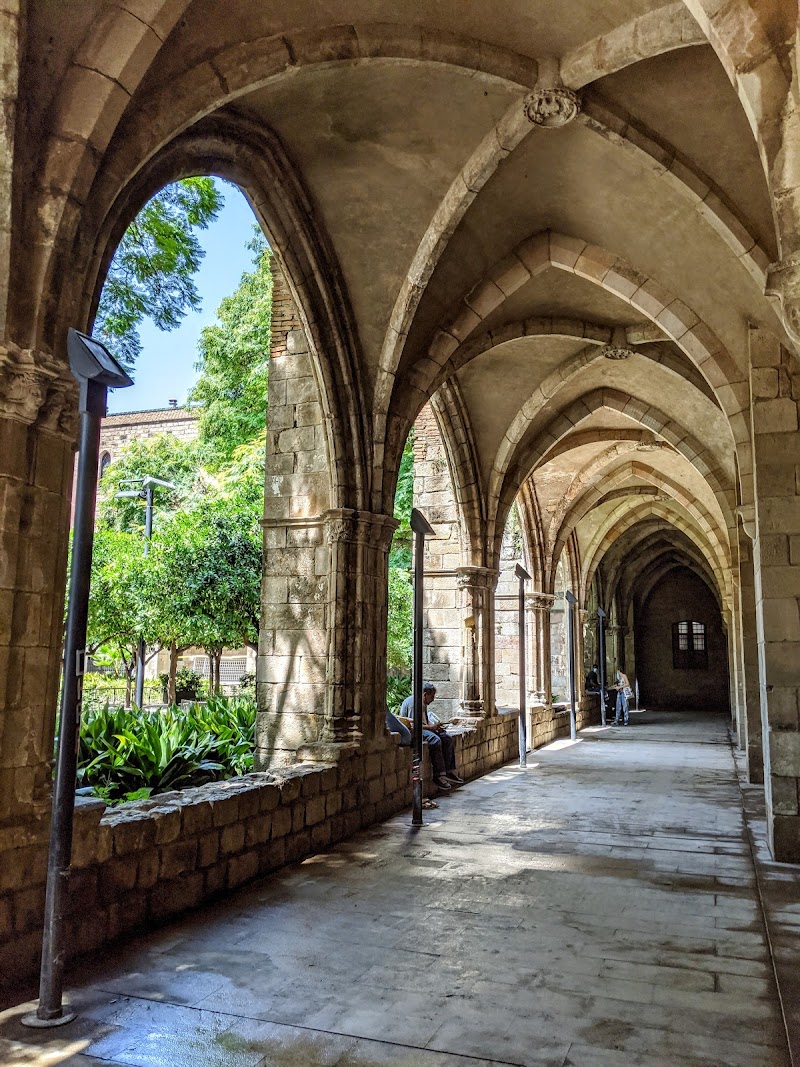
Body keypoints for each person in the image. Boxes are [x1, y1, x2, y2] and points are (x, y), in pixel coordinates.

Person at [399, 682, 464, 791]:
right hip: (413, 732)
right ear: (425, 694)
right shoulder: (413, 703)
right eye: (432, 696)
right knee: (435, 740)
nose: (433, 699)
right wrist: (431, 728)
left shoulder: (423, 703)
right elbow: (413, 725)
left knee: (446, 738)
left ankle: (448, 771)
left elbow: (424, 722)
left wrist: (436, 728)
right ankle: (438, 775)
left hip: (423, 728)